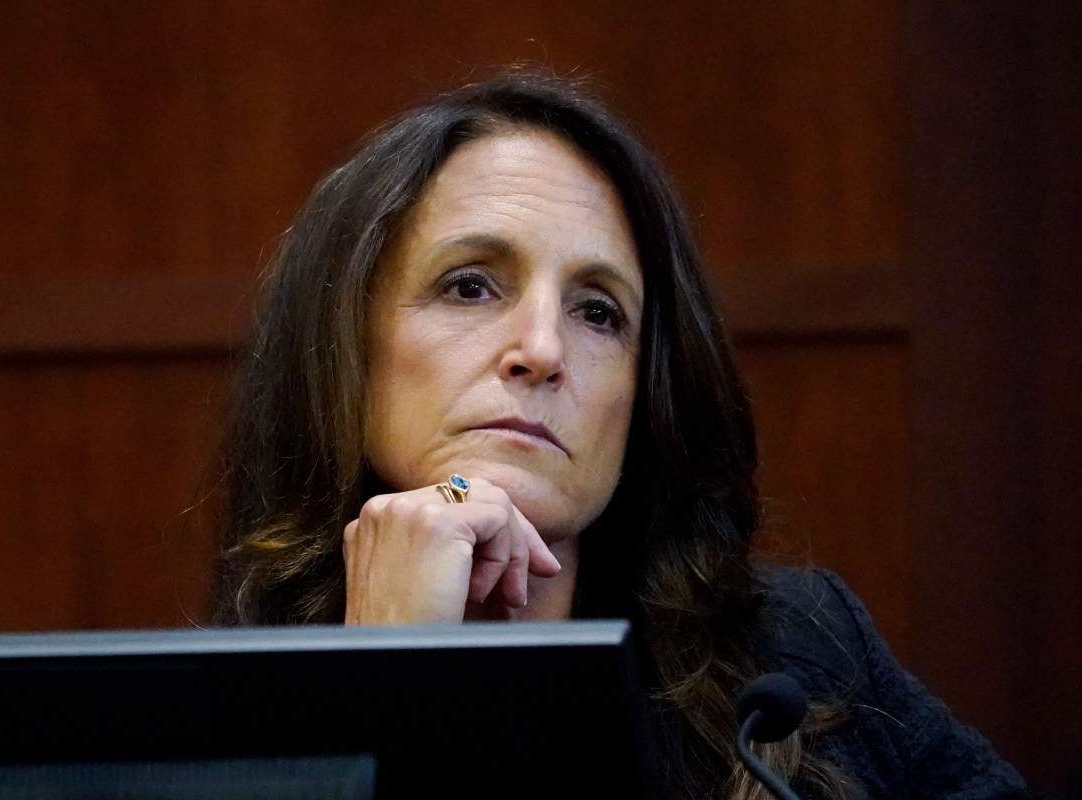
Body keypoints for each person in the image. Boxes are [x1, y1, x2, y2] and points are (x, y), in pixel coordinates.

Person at [213, 70, 1031, 799]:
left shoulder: (797, 657)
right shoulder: (215, 720)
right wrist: (386, 679)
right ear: (344, 349)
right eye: (470, 287)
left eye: (599, 312)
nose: (543, 349)